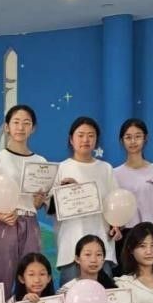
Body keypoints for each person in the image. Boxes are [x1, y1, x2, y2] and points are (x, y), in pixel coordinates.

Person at [0, 105, 50, 287]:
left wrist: (38, 202)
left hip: (30, 223)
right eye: (16, 122)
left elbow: (38, 203)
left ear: (33, 128)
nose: (21, 127)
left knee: (32, 277)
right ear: (7, 127)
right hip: (5, 223)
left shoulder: (41, 162)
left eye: (26, 123)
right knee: (0, 277)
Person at [53, 116, 119, 285]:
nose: (85, 140)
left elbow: (116, 205)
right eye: (80, 135)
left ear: (96, 140)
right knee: (71, 296)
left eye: (91, 135)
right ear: (71, 139)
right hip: (70, 246)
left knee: (104, 296)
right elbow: (51, 208)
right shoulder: (61, 168)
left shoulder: (106, 169)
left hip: (101, 245)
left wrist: (117, 225)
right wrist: (66, 192)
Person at [112, 118, 153, 261]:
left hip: (149, 234)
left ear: (145, 138)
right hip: (124, 236)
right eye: (128, 137)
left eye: (138, 136)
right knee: (125, 274)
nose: (133, 141)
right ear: (122, 141)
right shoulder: (114, 174)